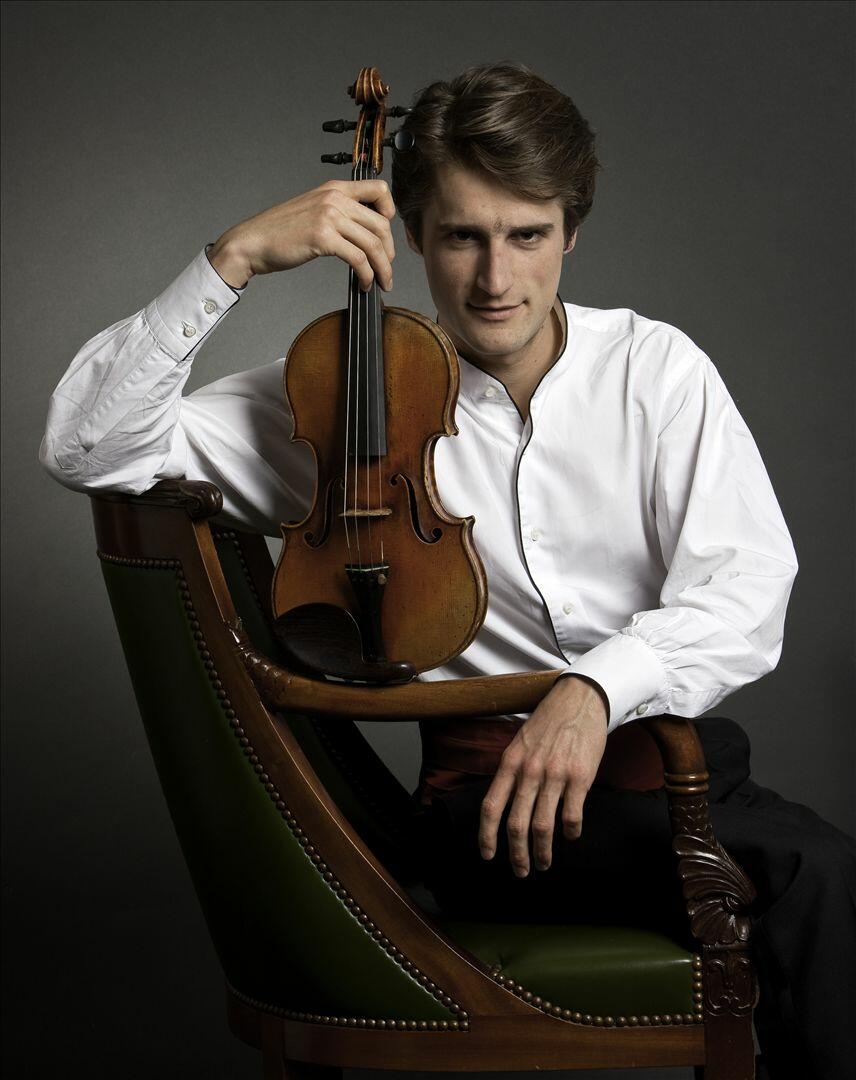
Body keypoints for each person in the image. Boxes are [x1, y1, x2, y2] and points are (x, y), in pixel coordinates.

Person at [40, 63, 854, 1079]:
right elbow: (86, 445)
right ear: (415, 236)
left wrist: (594, 689)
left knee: (824, 886)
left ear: (571, 233)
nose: (495, 279)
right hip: (499, 818)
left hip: (662, 772)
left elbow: (745, 588)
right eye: (464, 236)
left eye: (527, 235)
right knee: (819, 880)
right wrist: (232, 258)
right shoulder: (345, 410)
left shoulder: (656, 370)